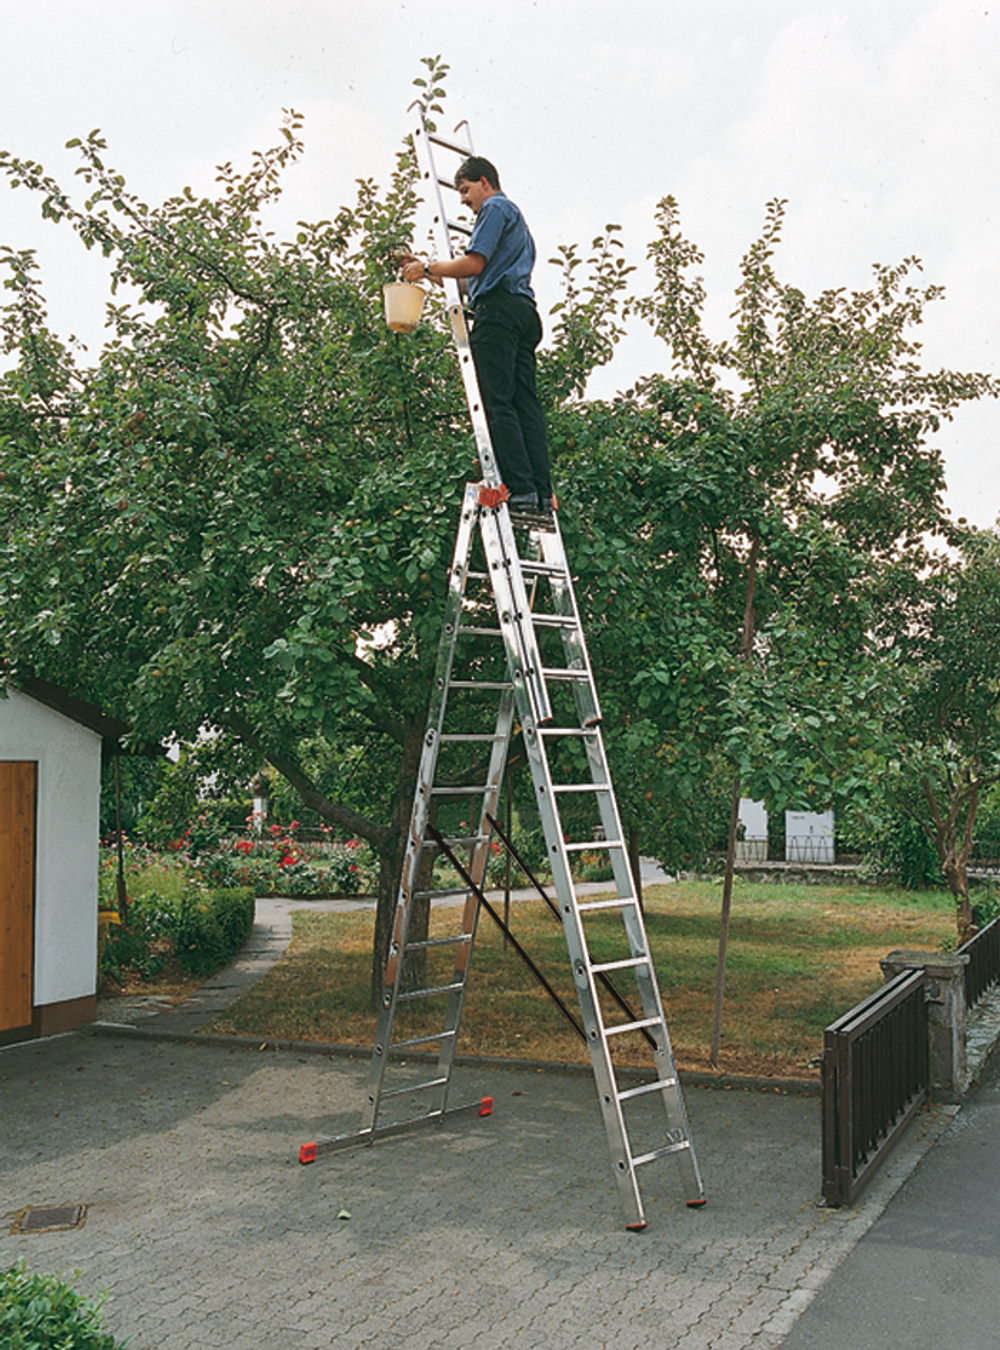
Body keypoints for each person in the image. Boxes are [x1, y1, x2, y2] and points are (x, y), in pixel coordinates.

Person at [402, 156, 552, 514]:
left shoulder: (495, 209)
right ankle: (541, 493)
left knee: (495, 402)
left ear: (484, 182)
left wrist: (427, 265)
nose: (463, 201)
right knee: (523, 402)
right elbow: (472, 284)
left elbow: (474, 264)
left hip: (498, 315)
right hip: (522, 313)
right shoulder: (515, 220)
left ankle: (519, 489)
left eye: (466, 190)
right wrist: (426, 272)